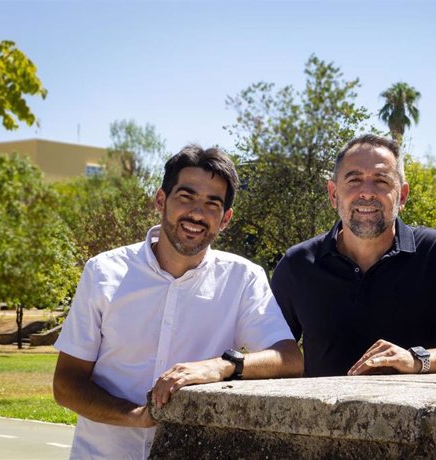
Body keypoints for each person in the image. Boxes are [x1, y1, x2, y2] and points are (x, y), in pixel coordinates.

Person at [53, 145, 303, 459]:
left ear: (225, 219)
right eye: (186, 197)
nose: (198, 213)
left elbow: (289, 359)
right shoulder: (104, 272)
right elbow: (66, 384)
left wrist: (221, 366)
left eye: (212, 204)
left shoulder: (243, 278)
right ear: (161, 201)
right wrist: (137, 416)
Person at [271, 134, 436, 378]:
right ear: (333, 194)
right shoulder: (296, 264)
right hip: (320, 416)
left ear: (402, 196)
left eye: (381, 181)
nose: (367, 193)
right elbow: (273, 354)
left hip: (418, 415)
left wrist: (416, 358)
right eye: (354, 180)